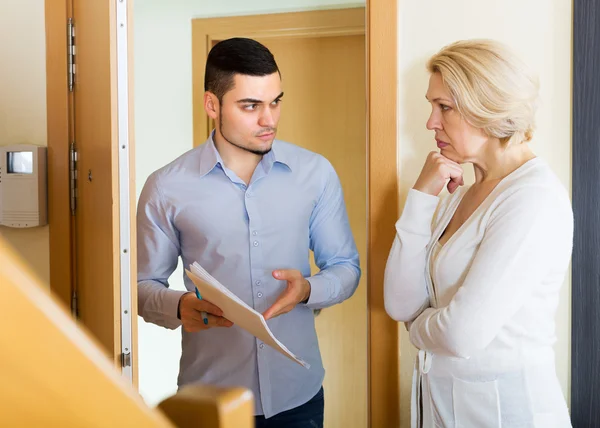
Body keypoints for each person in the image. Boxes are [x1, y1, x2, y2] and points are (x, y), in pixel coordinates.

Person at [137, 37, 360, 428]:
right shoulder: (165, 187)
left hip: (298, 398)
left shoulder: (315, 174)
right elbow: (140, 286)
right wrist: (178, 306)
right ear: (212, 105)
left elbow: (345, 267)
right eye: (251, 106)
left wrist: (308, 290)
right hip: (210, 402)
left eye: (275, 101)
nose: (269, 119)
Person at [384, 39, 573, 428]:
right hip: (442, 411)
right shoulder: (461, 193)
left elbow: (461, 335)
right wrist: (421, 197)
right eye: (431, 105)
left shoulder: (532, 198)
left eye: (444, 107)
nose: (430, 122)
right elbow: (400, 304)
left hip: (506, 414)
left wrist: (418, 329)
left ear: (487, 107)